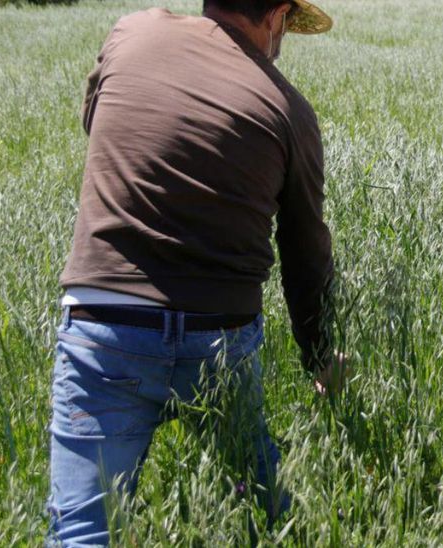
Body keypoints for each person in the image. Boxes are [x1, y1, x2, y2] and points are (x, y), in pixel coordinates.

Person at [46, 1, 345, 544]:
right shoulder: (289, 111)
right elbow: (307, 255)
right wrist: (321, 357)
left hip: (103, 325)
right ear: (278, 16)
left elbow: (97, 119)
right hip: (220, 337)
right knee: (266, 516)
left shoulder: (132, 32)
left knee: (83, 533)